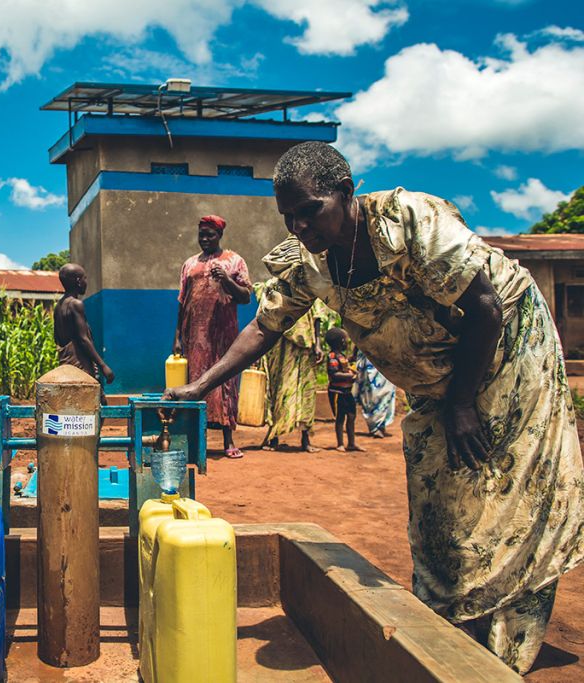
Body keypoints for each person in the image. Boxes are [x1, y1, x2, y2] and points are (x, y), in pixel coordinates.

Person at [166, 140, 584, 673]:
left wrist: (462, 405)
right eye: (288, 216)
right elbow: (263, 326)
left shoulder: (409, 221)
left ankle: (503, 645)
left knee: (500, 490)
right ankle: (448, 629)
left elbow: (484, 306)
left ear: (345, 193)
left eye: (310, 210)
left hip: (505, 356)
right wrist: (199, 386)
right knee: (437, 493)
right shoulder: (309, 262)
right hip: (440, 385)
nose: (299, 226)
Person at [174, 215, 252, 458]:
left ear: (220, 236)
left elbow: (246, 297)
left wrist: (226, 279)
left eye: (210, 235)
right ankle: (196, 442)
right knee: (196, 381)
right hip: (195, 335)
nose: (205, 239)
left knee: (225, 381)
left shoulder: (234, 261)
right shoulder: (189, 264)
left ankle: (228, 440)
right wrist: (177, 337)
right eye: (201, 235)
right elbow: (182, 302)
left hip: (224, 335)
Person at [256, 281, 325, 452]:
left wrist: (317, 344)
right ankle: (274, 437)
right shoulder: (273, 285)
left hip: (304, 344)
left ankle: (306, 439)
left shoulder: (308, 284)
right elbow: (263, 315)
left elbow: (316, 316)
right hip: (279, 344)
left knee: (305, 391)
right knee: (279, 389)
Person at [54, 263, 115, 396]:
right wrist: (103, 366)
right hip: (80, 365)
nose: (86, 282)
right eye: (85, 278)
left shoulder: (58, 306)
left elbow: (57, 338)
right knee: (95, 404)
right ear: (78, 281)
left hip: (65, 364)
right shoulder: (75, 304)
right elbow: (83, 339)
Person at [325, 327, 361, 452]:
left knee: (351, 416)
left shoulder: (341, 356)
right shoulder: (332, 357)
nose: (348, 342)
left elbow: (346, 363)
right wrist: (351, 376)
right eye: (346, 340)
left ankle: (351, 443)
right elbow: (334, 375)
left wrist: (356, 352)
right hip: (338, 393)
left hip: (347, 392)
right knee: (340, 418)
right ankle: (340, 443)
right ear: (341, 342)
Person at [354, 349, 396, 438]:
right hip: (370, 361)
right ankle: (374, 427)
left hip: (386, 359)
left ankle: (381, 426)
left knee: (387, 393)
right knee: (372, 395)